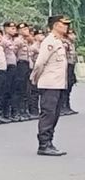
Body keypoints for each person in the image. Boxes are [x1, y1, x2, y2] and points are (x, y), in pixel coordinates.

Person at [31, 15, 72, 156]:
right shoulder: (49, 41)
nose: (66, 26)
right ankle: (43, 144)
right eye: (63, 24)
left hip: (58, 83)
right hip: (50, 83)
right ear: (55, 25)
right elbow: (40, 63)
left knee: (54, 114)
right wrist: (36, 79)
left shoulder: (59, 41)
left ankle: (49, 142)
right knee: (48, 114)